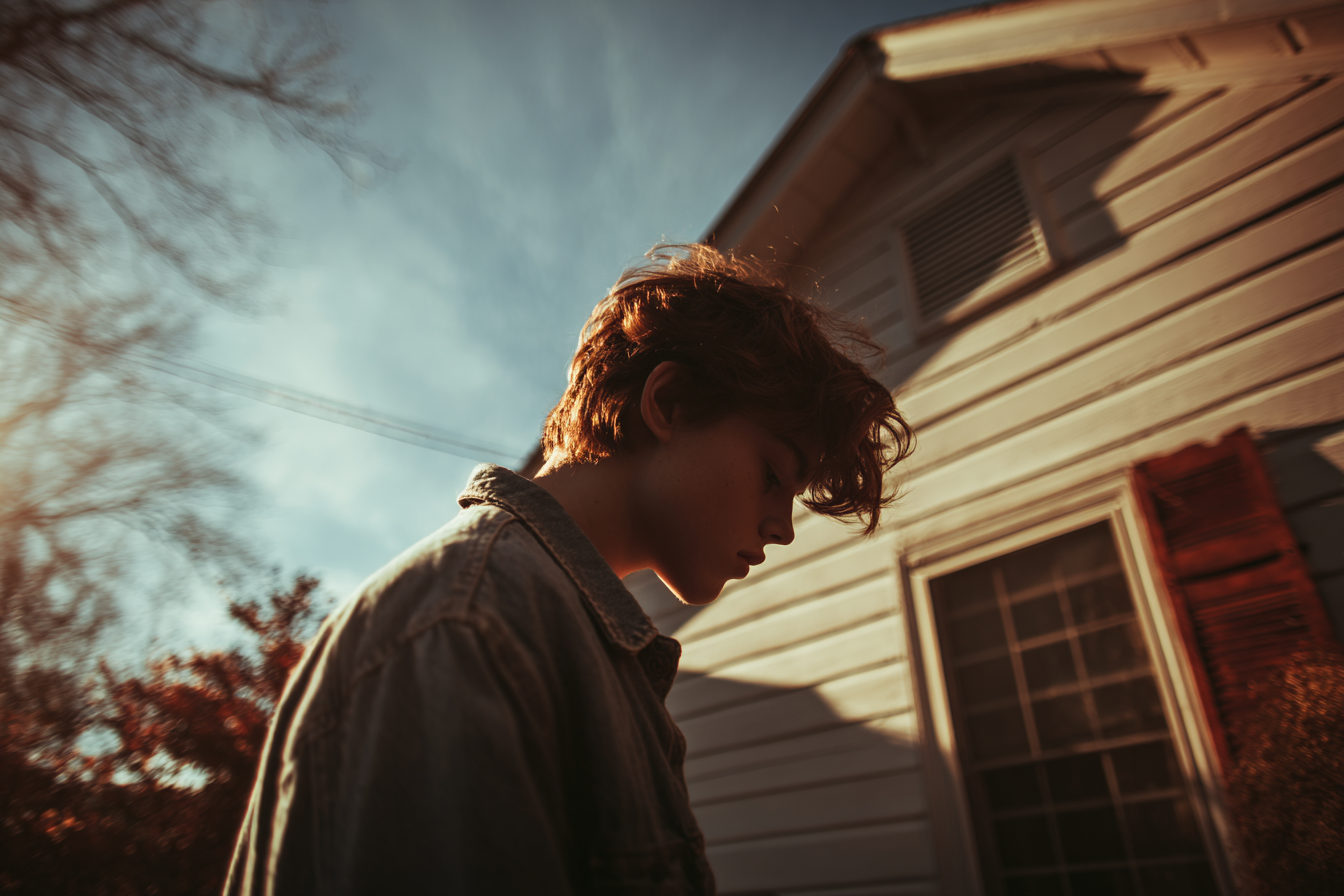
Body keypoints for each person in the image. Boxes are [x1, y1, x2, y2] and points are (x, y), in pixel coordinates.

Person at [224, 244, 913, 895]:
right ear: (668, 405)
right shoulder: (475, 619)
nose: (783, 528)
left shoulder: (562, 635)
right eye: (773, 476)